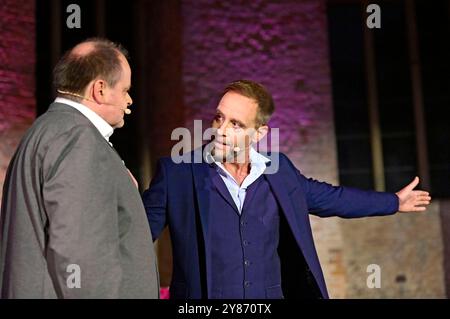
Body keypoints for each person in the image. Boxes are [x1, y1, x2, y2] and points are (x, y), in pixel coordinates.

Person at [142, 79, 431, 299]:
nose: (221, 130)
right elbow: (134, 238)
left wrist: (393, 202)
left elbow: (332, 198)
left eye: (236, 124)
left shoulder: (280, 172)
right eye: (219, 117)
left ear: (259, 133)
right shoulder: (178, 173)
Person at [0, 38, 159, 298]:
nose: (129, 100)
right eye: (125, 90)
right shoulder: (78, 139)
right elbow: (80, 256)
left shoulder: (46, 130)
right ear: (100, 90)